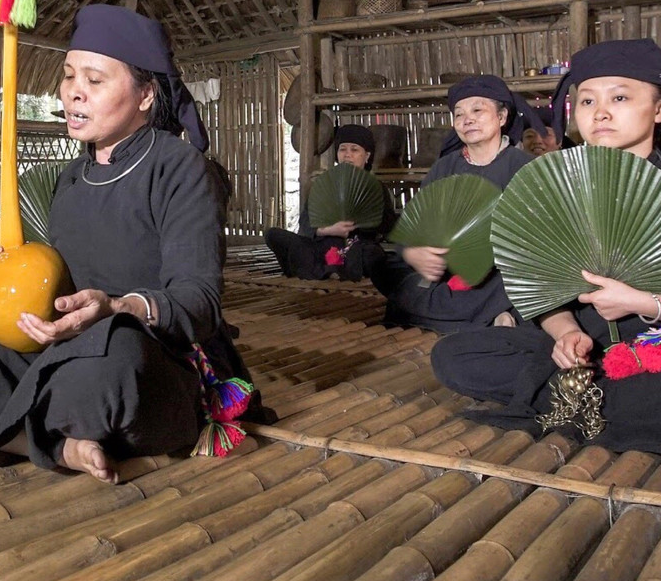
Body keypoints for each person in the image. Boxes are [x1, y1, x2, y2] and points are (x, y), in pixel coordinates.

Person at [0, 4, 262, 485]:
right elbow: (55, 290)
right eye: (68, 75)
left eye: (95, 80)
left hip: (150, 354)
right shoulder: (73, 177)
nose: (73, 91)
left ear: (145, 95)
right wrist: (2, 278)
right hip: (66, 348)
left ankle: (13, 428)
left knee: (113, 368)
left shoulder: (181, 169)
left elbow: (198, 305)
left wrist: (115, 305)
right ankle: (57, 444)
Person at [430, 38, 661, 451]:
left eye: (621, 97)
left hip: (652, 341)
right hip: (590, 342)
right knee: (453, 356)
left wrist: (642, 303)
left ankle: (578, 398)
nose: (601, 112)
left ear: (658, 109)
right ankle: (594, 395)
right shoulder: (560, 187)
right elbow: (540, 291)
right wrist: (566, 332)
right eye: (587, 102)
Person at [371, 74, 544, 331]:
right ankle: (484, 317)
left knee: (528, 282)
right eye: (459, 114)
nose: (467, 119)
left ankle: (495, 313)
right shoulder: (445, 167)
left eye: (477, 110)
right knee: (384, 266)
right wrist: (414, 252)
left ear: (502, 117)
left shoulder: (524, 168)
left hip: (500, 278)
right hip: (445, 273)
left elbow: (540, 245)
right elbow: (414, 225)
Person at [264, 124, 396, 281]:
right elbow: (306, 223)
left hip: (353, 247)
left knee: (373, 255)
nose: (347, 155)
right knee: (273, 234)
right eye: (343, 149)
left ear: (367, 156)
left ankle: (317, 270)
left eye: (354, 150)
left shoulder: (376, 187)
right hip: (321, 247)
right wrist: (327, 230)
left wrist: (361, 221)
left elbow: (388, 226)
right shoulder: (324, 184)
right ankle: (329, 270)